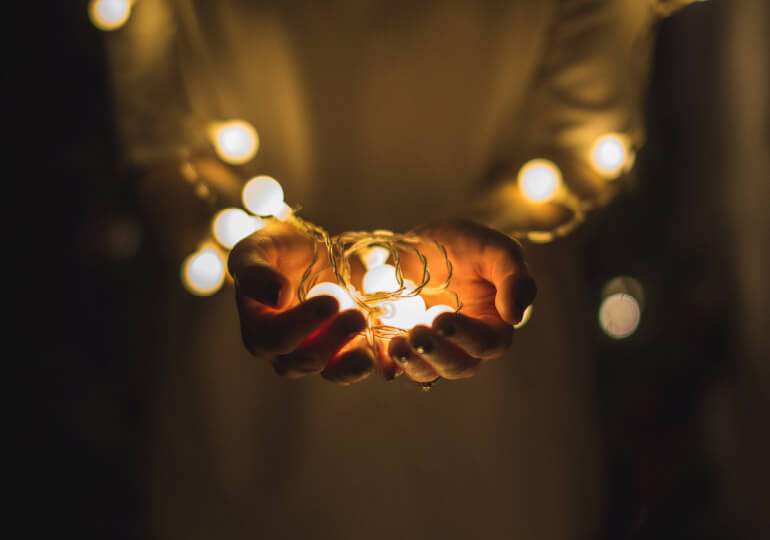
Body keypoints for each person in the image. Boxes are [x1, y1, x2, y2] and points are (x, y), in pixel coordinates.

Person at [102, 1, 695, 538]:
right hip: (243, 432)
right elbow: (161, 146)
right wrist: (230, 239)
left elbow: (583, 151)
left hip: (495, 440)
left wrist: (506, 243)